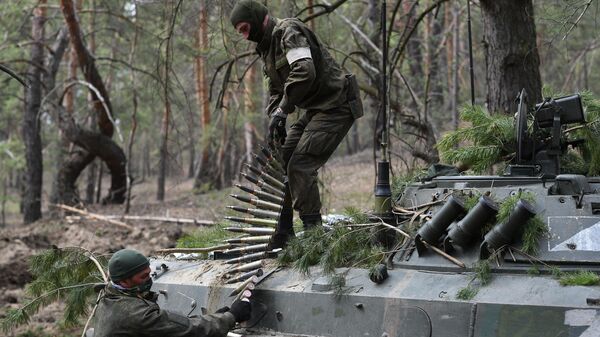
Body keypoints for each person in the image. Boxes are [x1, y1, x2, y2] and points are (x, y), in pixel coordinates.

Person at [230, 0, 363, 247]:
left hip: (337, 104)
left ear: (258, 18)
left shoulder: (288, 32)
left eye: (245, 29)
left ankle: (314, 237)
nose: (245, 36)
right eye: (240, 32)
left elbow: (304, 71)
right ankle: (284, 233)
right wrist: (275, 117)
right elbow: (274, 89)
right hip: (316, 108)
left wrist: (283, 110)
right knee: (282, 161)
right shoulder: (267, 47)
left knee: (300, 165)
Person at [92, 249, 251, 337]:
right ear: (124, 281)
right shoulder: (135, 313)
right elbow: (187, 328)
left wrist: (215, 317)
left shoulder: (108, 297)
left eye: (149, 273)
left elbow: (174, 323)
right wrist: (232, 317)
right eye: (143, 276)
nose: (149, 279)